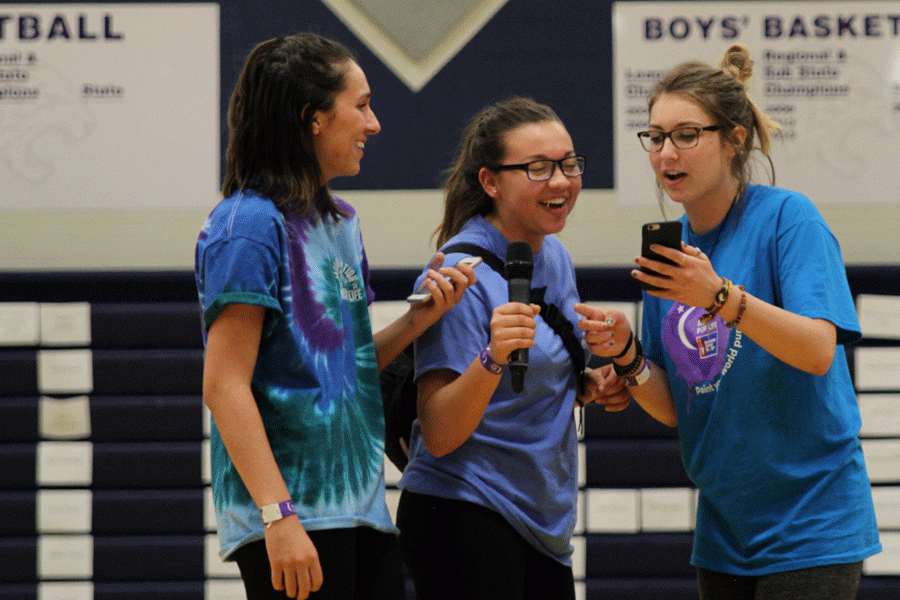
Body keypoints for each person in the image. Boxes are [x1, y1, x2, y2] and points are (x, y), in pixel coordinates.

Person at [576, 44, 881, 599]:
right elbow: (679, 406)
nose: (668, 152)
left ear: (734, 139)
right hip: (725, 533)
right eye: (656, 136)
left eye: (687, 134)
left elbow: (817, 350)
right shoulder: (671, 258)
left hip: (811, 524)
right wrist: (628, 357)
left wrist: (718, 296)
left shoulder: (788, 219)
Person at [195, 33, 478, 600]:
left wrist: (420, 319)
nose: (374, 125)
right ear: (313, 118)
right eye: (362, 104)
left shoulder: (341, 222)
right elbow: (224, 386)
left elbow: (345, 369)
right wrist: (279, 518)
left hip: (361, 507)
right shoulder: (247, 226)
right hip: (294, 513)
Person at [396, 97, 630, 600]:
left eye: (569, 164)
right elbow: (438, 433)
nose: (561, 181)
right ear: (490, 182)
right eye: (538, 168)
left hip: (541, 521)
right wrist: (491, 357)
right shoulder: (461, 275)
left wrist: (588, 385)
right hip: (465, 510)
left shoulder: (554, 254)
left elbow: (536, 373)